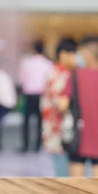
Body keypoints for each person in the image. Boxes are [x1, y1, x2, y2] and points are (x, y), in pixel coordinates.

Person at [60, 36, 98, 177]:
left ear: (87, 55)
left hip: (79, 136)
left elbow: (62, 105)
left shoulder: (75, 75)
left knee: (76, 182)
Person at [40, 39, 78, 177]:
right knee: (63, 171)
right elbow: (61, 104)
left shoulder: (67, 72)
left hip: (63, 129)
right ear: (63, 54)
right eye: (73, 54)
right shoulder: (57, 73)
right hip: (59, 129)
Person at [18, 41, 53, 152]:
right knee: (40, 122)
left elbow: (21, 79)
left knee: (26, 122)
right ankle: (38, 146)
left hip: (28, 94)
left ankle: (25, 145)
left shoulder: (26, 63)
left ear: (33, 50)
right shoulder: (48, 64)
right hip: (42, 95)